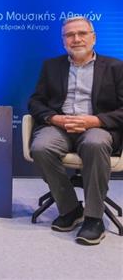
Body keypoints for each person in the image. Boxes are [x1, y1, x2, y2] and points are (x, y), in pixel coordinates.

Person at [28, 16, 123, 245]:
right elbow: (35, 101)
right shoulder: (51, 66)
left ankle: (94, 218)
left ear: (93, 38)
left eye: (82, 33)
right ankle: (70, 209)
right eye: (70, 35)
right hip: (60, 127)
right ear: (63, 41)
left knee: (95, 143)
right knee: (41, 147)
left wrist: (95, 121)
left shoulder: (116, 67)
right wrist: (55, 118)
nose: (76, 39)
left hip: (97, 127)